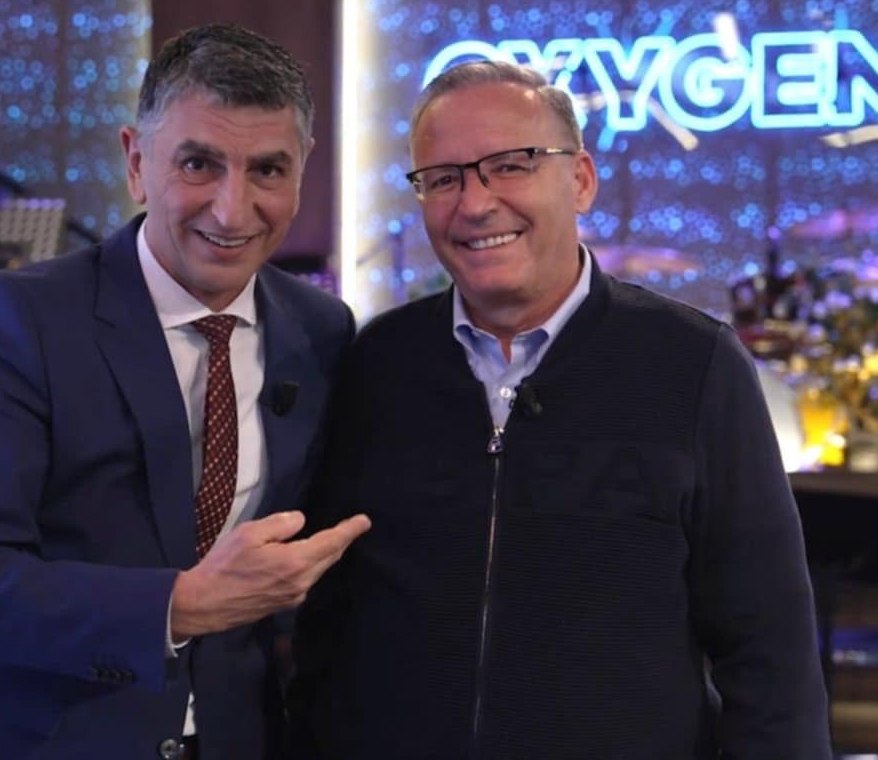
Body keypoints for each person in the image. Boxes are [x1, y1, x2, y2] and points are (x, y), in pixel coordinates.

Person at [288, 60, 830, 759]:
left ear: (580, 180)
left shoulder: (693, 364)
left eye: (510, 166)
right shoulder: (377, 364)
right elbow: (327, 629)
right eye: (444, 178)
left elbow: (771, 651)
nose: (475, 203)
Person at [0, 23, 370, 760]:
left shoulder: (321, 329)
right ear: (136, 162)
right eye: (199, 164)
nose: (232, 209)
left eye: (268, 170)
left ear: (303, 169)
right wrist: (182, 605)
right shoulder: (19, 320)